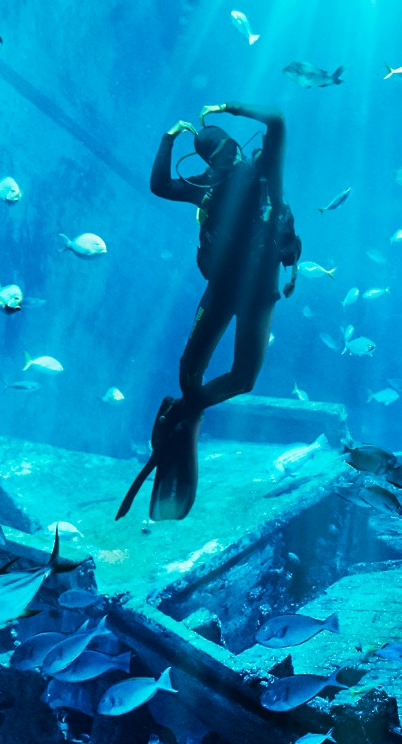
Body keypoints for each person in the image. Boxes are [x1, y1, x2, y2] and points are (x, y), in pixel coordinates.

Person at [116, 101, 301, 522]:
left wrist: (171, 136)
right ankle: (185, 415)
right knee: (229, 376)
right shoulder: (249, 177)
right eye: (226, 153)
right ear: (228, 154)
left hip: (232, 292)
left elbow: (160, 185)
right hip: (243, 292)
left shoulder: (219, 183)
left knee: (204, 374)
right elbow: (277, 119)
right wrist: (229, 109)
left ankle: (183, 413)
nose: (231, 159)